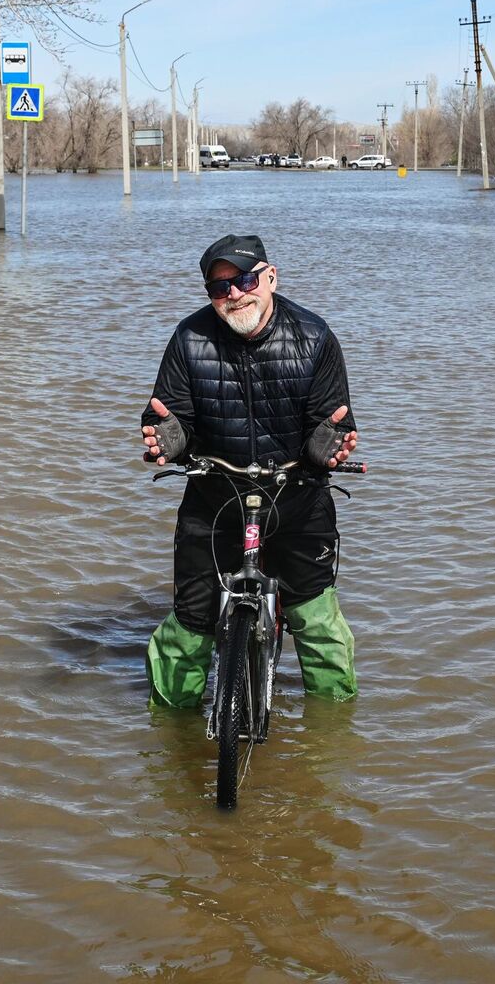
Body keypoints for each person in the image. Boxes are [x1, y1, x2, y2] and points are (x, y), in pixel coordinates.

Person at [140, 234, 360, 708]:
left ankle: (333, 736)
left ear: (270, 277)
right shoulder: (188, 339)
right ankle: (172, 739)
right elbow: (168, 415)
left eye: (243, 280)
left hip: (297, 500)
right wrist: (169, 439)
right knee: (189, 626)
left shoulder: (315, 337)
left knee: (318, 622)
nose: (234, 294)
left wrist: (328, 449)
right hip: (214, 500)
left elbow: (336, 421)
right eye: (219, 288)